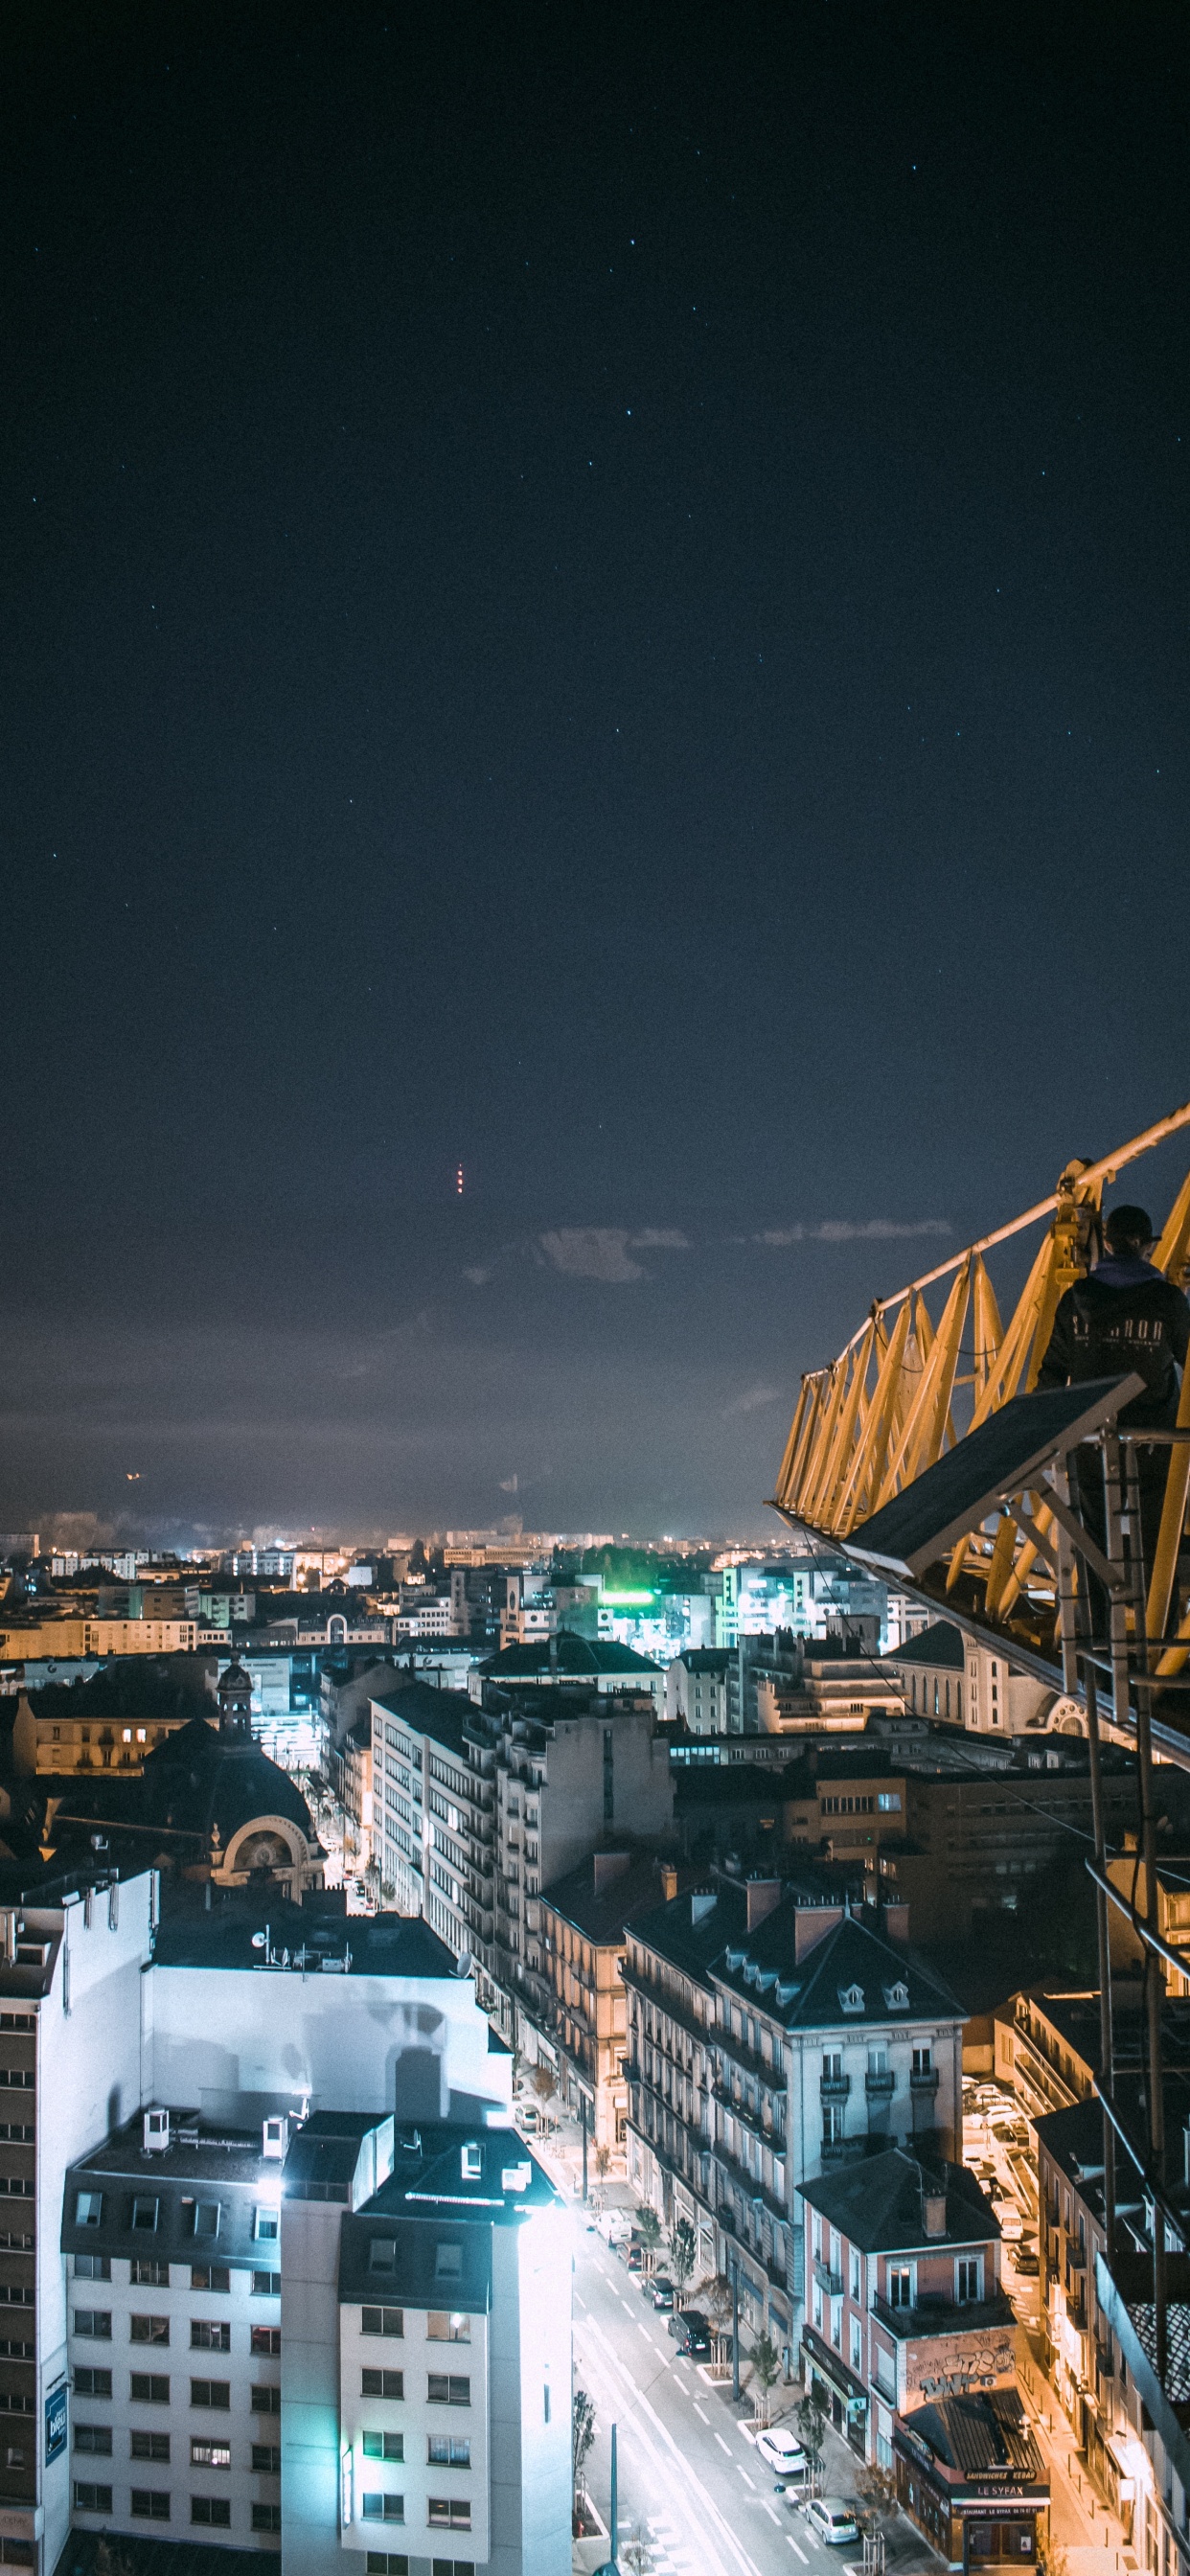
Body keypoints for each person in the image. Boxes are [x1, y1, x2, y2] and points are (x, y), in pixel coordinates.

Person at [1035, 1204, 1190, 1632]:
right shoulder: (1168, 1302)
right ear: (1145, 1248)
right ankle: (1158, 1636)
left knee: (1093, 1540)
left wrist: (1039, 1439)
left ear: (1106, 1243)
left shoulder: (1075, 1299)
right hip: (1156, 1446)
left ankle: (1101, 1640)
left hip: (1091, 1442)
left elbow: (1052, 1373)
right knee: (1158, 1542)